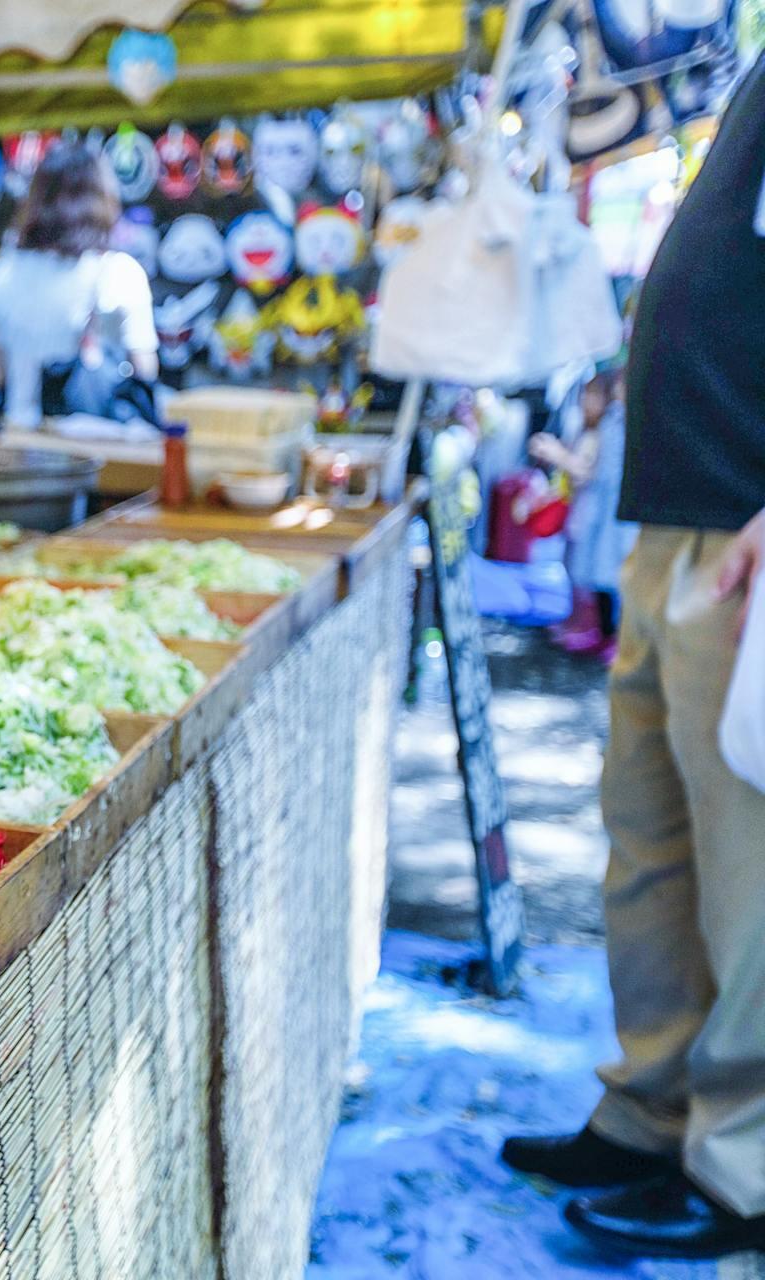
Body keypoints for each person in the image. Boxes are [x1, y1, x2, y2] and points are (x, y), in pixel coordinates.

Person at [501, 57, 765, 1260]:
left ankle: (742, 1162)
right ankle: (653, 1106)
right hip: (682, 512)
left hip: (749, 530)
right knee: (652, 841)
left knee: (749, 875)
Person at [0, 140, 157, 430]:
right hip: (100, 451)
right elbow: (143, 369)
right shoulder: (118, 273)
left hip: (22, 444)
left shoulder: (5, 272)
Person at [528, 364, 635, 661]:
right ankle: (598, 631)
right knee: (591, 572)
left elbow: (592, 472)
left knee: (612, 576)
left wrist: (559, 456)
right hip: (598, 513)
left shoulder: (621, 424)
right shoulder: (610, 423)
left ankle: (611, 635)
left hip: (612, 517)